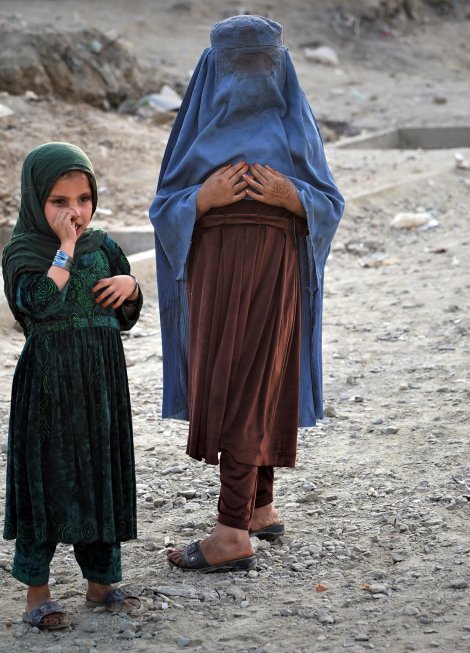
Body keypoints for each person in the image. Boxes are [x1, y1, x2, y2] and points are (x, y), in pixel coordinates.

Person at [149, 15, 344, 573]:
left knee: (252, 379)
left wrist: (291, 194)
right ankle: (258, 507)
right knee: (243, 376)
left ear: (279, 63)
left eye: (263, 62)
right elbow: (165, 204)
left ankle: (230, 534)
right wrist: (203, 199)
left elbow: (329, 199)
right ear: (214, 67)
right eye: (239, 63)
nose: (252, 75)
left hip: (275, 266)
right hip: (216, 269)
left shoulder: (294, 123)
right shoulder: (197, 128)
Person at [1, 142, 143, 628]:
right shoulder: (23, 251)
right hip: (48, 388)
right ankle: (37, 594)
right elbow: (36, 303)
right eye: (59, 202)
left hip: (100, 383)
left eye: (82, 199)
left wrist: (132, 286)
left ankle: (101, 582)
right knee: (47, 480)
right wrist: (63, 250)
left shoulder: (103, 246)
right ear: (35, 199)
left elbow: (124, 315)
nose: (74, 212)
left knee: (99, 475)